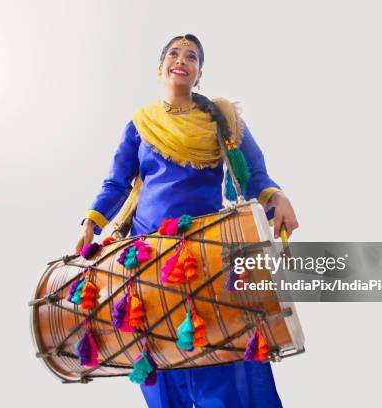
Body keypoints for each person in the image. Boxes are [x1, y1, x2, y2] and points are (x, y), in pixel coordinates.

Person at [75, 34, 298, 408]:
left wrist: (277, 197)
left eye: (191, 56)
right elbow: (116, 182)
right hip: (145, 262)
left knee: (221, 353)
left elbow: (254, 175)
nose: (182, 60)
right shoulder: (140, 124)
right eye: (174, 54)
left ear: (199, 74)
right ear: (160, 67)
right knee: (159, 363)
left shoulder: (222, 121)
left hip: (203, 254)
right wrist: (91, 223)